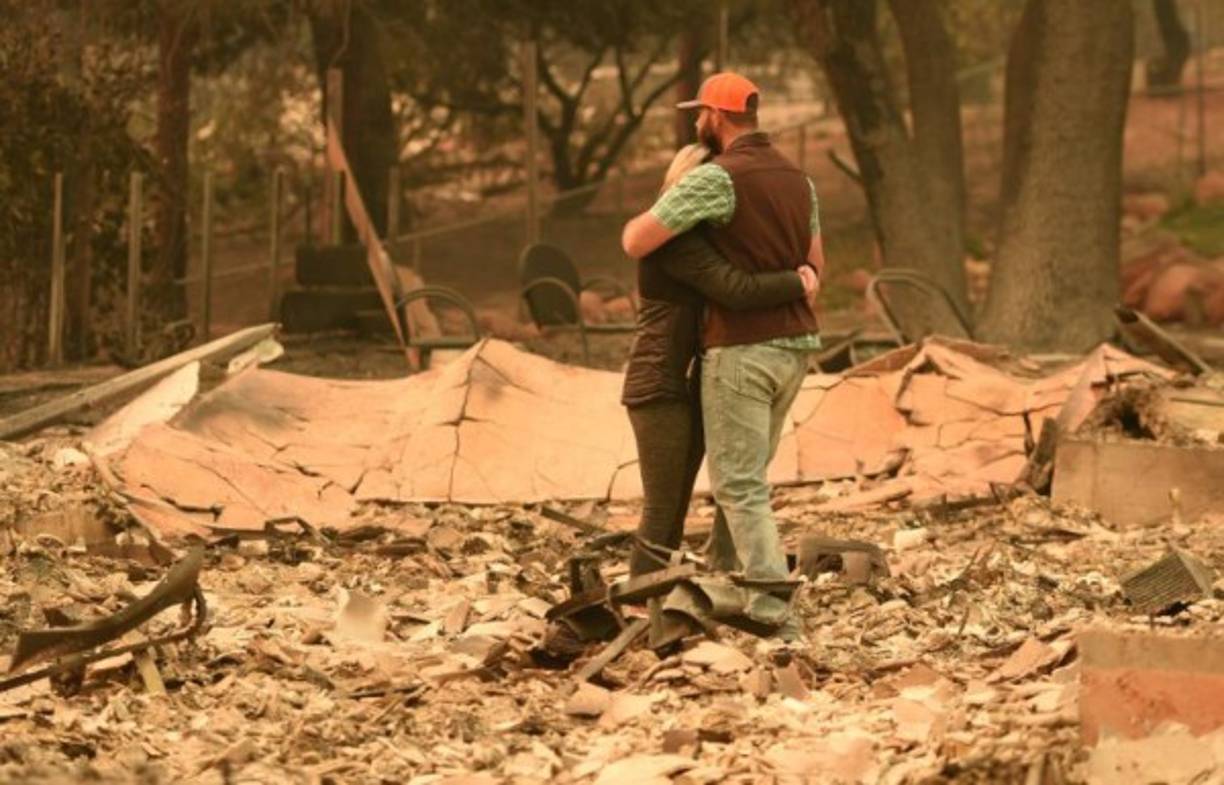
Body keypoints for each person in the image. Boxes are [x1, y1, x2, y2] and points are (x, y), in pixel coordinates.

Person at [621, 72, 825, 638]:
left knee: (736, 484)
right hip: (796, 346)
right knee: (747, 478)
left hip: (742, 349)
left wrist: (671, 210)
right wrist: (799, 280)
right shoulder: (799, 179)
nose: (696, 121)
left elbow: (636, 239)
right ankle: (727, 579)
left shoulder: (718, 178)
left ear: (717, 115)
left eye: (700, 113)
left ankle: (769, 605)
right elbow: (816, 264)